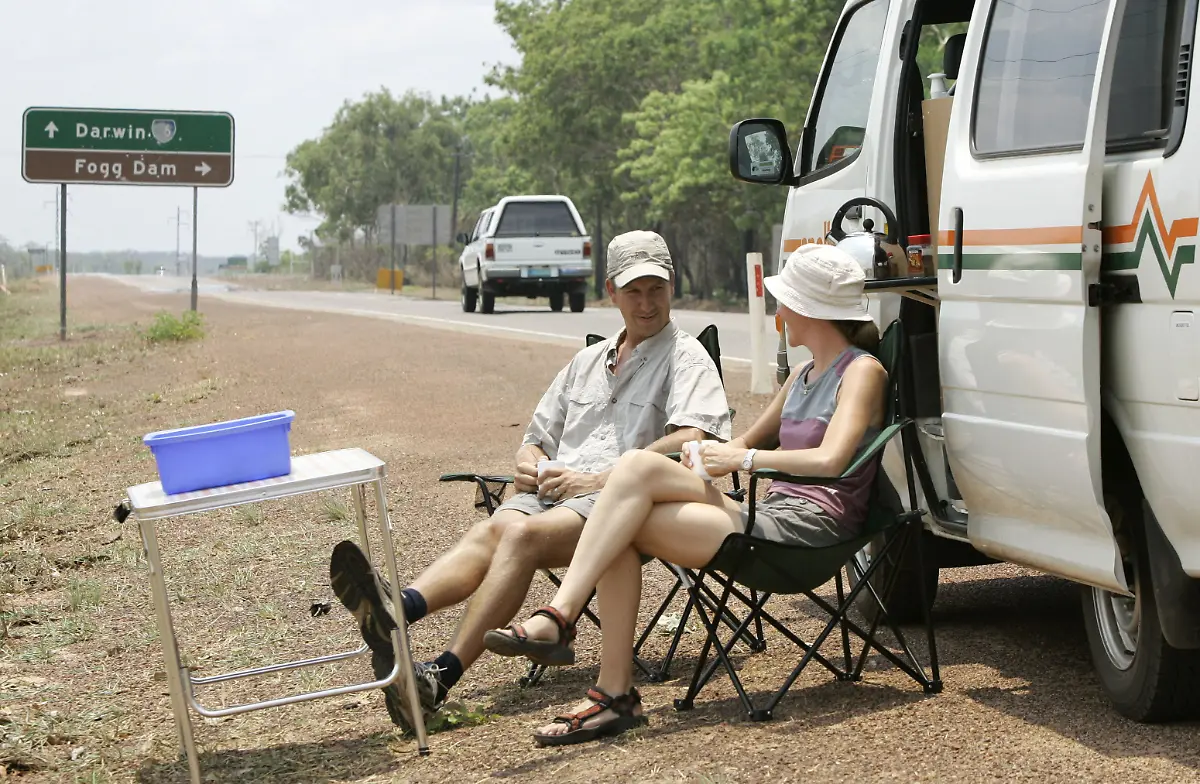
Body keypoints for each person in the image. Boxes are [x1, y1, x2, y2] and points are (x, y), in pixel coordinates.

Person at [480, 243, 888, 746]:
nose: (777, 311)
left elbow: (832, 460)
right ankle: (611, 692)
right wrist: (706, 457)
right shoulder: (803, 377)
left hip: (809, 530)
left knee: (627, 486)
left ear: (807, 309)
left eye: (783, 302)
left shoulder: (862, 371)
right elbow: (733, 445)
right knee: (624, 510)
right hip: (765, 513)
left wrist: (741, 461)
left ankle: (562, 623)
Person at [328, 229, 733, 732]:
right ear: (611, 292)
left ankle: (440, 676)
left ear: (672, 286)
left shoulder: (686, 356)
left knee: (518, 534)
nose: (646, 303)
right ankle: (399, 610)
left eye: (656, 289)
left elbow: (691, 440)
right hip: (556, 492)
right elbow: (536, 436)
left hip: (621, 505)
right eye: (634, 291)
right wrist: (528, 460)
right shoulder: (587, 361)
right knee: (495, 528)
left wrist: (597, 477)